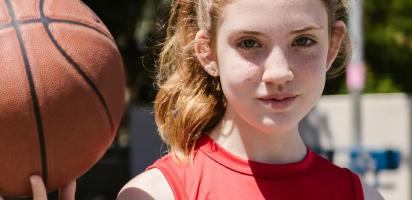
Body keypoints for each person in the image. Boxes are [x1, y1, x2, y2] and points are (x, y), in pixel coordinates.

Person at [118, 0, 385, 199]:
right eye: (249, 43)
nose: (279, 72)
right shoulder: (155, 194)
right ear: (208, 54)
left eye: (303, 40)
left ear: (332, 46)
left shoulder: (363, 196)